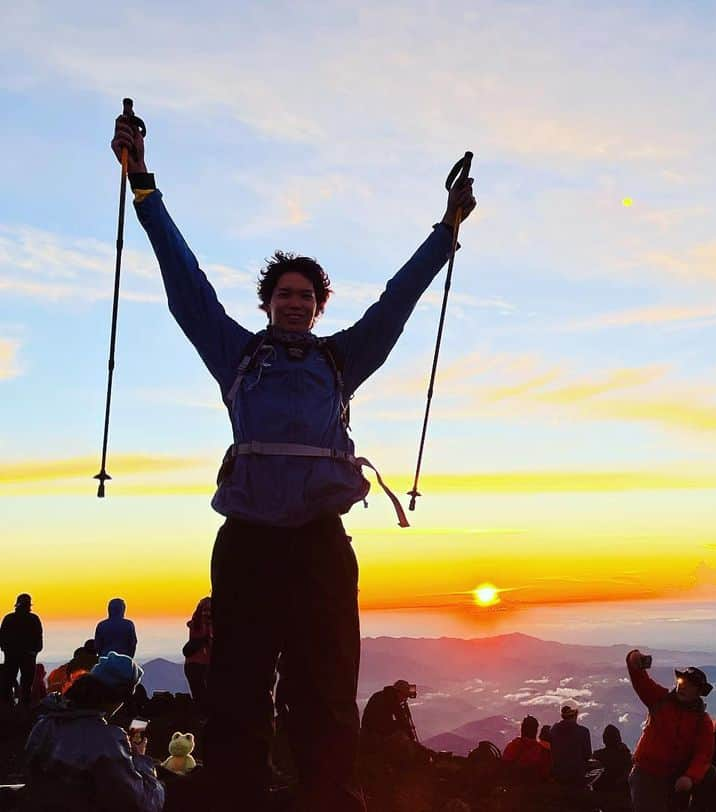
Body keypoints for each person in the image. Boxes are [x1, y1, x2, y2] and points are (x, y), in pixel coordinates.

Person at [112, 106, 475, 812]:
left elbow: (398, 303)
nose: (295, 304)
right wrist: (144, 187)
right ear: (269, 303)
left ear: (319, 306)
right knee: (240, 684)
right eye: (285, 295)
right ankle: (235, 794)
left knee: (327, 684)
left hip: (318, 543)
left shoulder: (343, 360)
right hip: (247, 543)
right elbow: (186, 284)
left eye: (306, 297)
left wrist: (446, 232)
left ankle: (325, 796)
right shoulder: (237, 353)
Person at [22, 652, 164, 811]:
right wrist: (140, 759)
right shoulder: (108, 741)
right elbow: (141, 804)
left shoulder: (44, 725)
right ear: (119, 697)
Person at [625, 649, 716, 812]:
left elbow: (703, 754)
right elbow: (640, 680)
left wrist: (690, 776)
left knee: (711, 774)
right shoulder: (660, 699)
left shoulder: (702, 721)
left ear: (698, 692)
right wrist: (633, 658)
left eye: (689, 686)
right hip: (646, 772)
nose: (682, 687)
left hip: (675, 775)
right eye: (682, 682)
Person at [0, 593, 43, 706]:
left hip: (15, 656)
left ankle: (10, 706)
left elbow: (2, 638)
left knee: (11, 682)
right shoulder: (33, 619)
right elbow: (39, 638)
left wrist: (7, 650)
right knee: (23, 684)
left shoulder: (9, 618)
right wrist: (34, 651)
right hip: (24, 656)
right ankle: (20, 706)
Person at [549, 702, 593, 787]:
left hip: (558, 774)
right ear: (575, 715)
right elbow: (587, 755)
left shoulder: (553, 730)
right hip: (577, 775)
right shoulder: (583, 731)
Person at [502, 715, 552, 783]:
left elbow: (504, 767)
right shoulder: (542, 751)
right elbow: (546, 774)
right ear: (536, 731)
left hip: (512, 787)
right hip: (534, 789)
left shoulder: (511, 747)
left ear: (522, 730)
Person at [183, 596, 213, 706]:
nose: (207, 613)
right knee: (204, 698)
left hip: (192, 664)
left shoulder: (195, 624)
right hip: (203, 664)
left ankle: (200, 718)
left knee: (199, 697)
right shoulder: (207, 626)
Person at [592, 724, 632, 798]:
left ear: (604, 739)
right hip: (621, 793)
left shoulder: (597, 755)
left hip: (602, 793)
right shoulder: (625, 755)